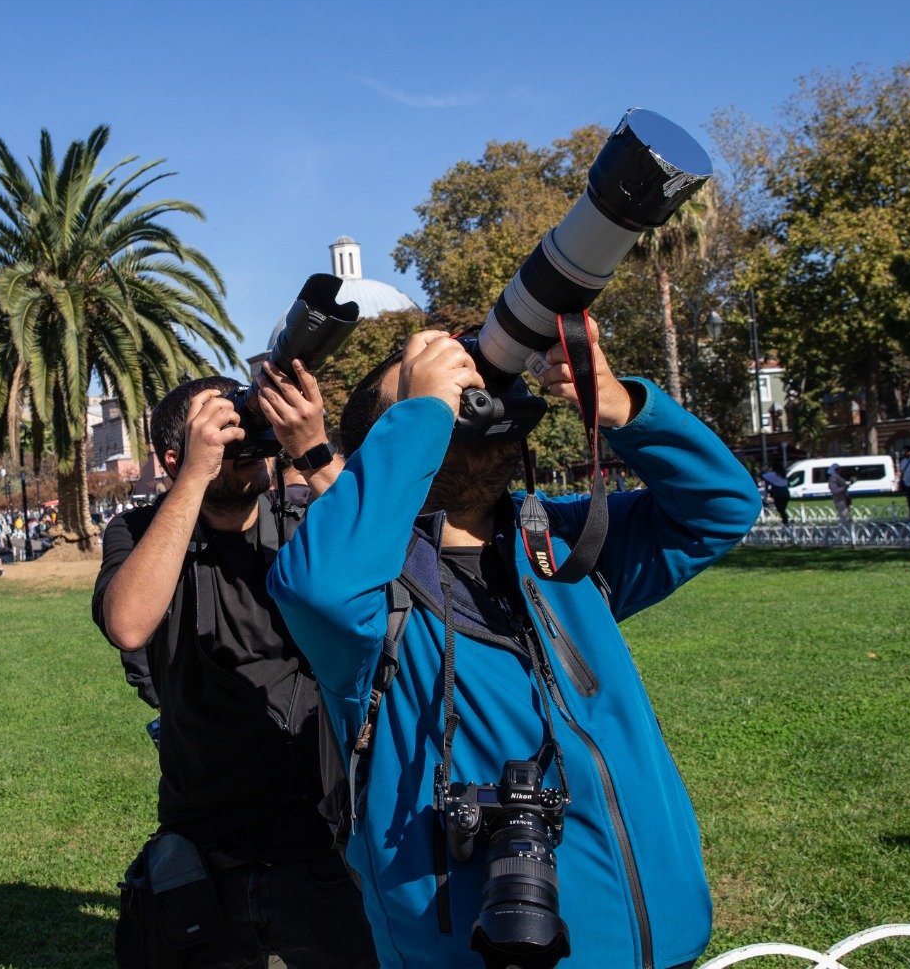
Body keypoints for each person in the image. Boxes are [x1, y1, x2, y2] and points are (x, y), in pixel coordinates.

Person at [269, 322, 761, 968]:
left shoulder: (561, 543)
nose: (466, 392)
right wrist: (423, 412)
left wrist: (619, 406)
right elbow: (316, 589)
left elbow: (720, 506)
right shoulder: (369, 596)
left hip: (662, 944)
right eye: (433, 392)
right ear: (391, 445)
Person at [93, 360, 378, 969]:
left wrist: (313, 449)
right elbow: (128, 623)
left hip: (326, 835)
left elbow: (389, 551)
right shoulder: (142, 531)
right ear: (172, 457)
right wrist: (195, 479)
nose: (242, 446)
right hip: (207, 837)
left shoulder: (305, 519)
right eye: (220, 433)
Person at [761, 461, 791, 525]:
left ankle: (785, 521)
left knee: (780, 509)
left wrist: (765, 469)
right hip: (786, 494)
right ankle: (785, 521)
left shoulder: (773, 475)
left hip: (778, 494)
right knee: (782, 509)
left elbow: (763, 476)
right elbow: (788, 483)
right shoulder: (783, 474)